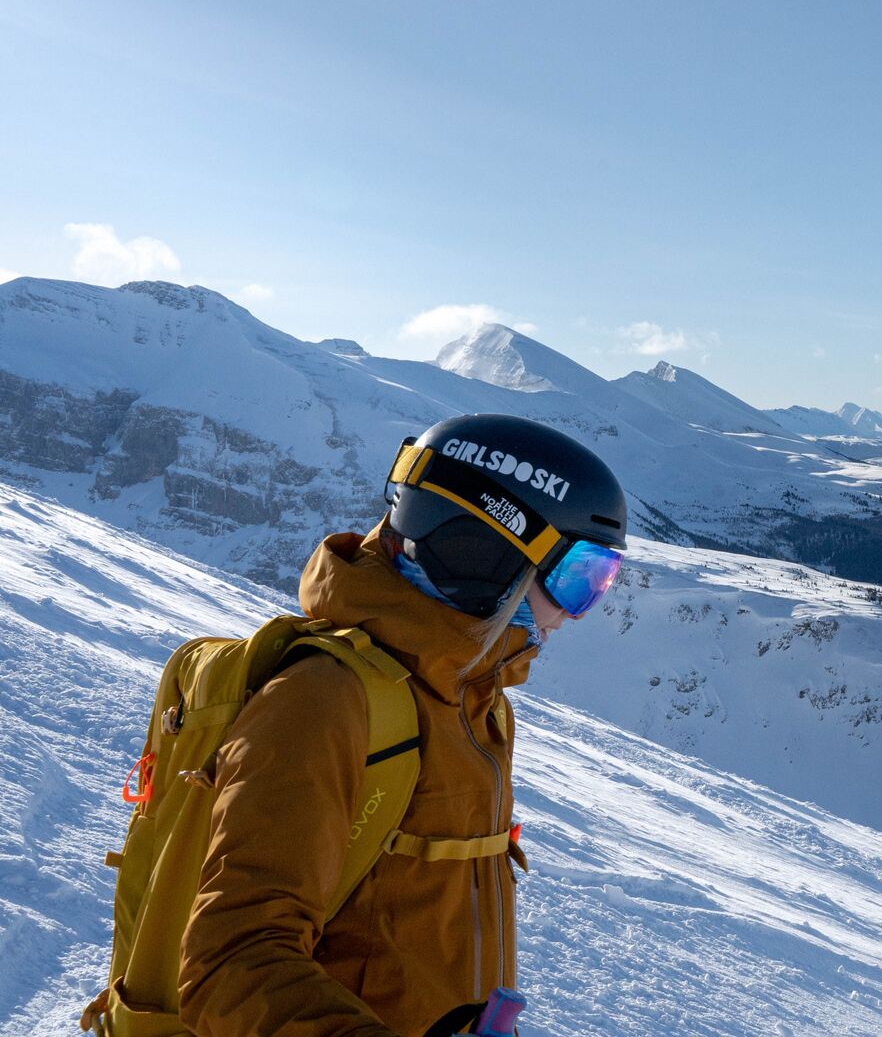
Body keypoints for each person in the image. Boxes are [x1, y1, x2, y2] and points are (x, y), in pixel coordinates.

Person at [176, 414, 627, 1036]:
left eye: (600, 583)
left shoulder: (473, 699)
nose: (576, 615)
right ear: (486, 554)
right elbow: (230, 965)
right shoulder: (323, 702)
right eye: (581, 579)